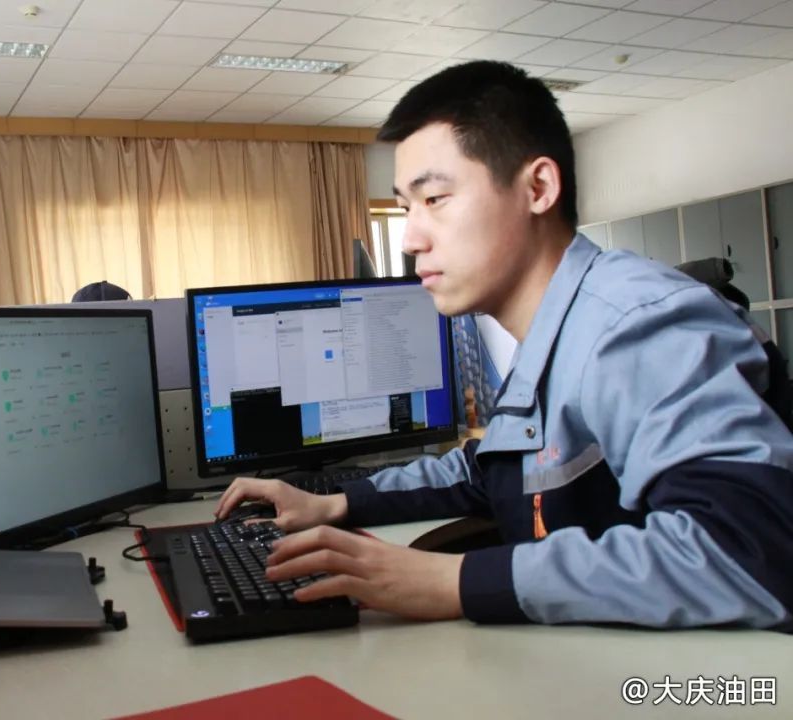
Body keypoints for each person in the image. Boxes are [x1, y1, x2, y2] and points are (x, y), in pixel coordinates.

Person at [215, 60, 793, 631]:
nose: (411, 239)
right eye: (405, 208)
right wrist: (337, 503)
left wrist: (457, 581)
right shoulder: (554, 337)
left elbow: (743, 552)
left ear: (537, 188)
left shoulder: (634, 324)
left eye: (434, 199)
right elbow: (491, 469)